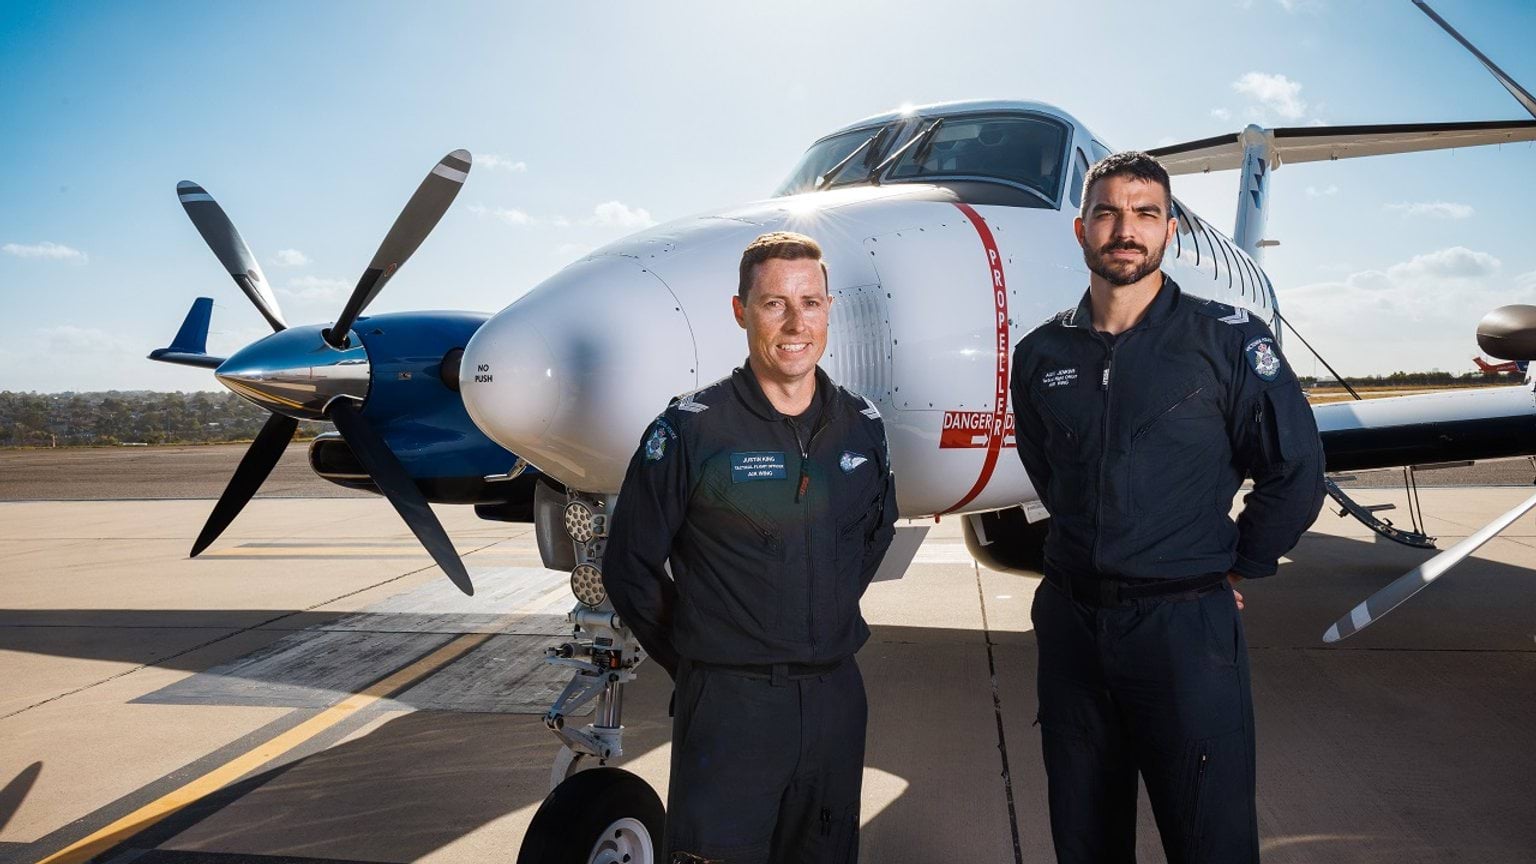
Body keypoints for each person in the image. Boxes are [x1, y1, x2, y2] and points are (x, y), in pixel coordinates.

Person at [1009, 152, 1325, 863]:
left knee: (1208, 837)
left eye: (1145, 213)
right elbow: (1047, 470)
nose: (1126, 229)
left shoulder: (1230, 339)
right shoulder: (1039, 352)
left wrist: (1236, 566)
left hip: (1185, 628)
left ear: (1170, 231)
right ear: (1080, 229)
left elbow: (1294, 470)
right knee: (1084, 835)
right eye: (1108, 213)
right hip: (1071, 626)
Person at [604, 231, 899, 864]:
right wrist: (701, 659)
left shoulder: (861, 425)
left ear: (828, 308)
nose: (797, 323)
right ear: (741, 311)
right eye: (774, 304)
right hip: (730, 706)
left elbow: (874, 535)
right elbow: (628, 565)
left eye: (811, 303)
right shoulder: (692, 428)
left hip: (834, 701)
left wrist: (817, 614)